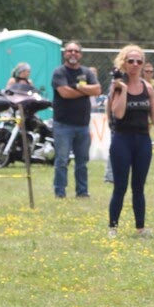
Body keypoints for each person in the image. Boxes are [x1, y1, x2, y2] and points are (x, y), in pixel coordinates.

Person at [106, 45, 154, 238]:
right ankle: (113, 227)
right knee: (120, 186)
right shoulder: (117, 86)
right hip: (122, 140)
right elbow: (118, 113)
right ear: (123, 63)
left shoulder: (148, 87)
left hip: (142, 140)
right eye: (131, 61)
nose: (135, 64)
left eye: (139, 61)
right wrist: (124, 88)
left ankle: (140, 228)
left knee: (139, 187)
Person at [51, 42, 102, 199]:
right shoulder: (59, 72)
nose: (73, 53)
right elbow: (65, 93)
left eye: (76, 51)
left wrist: (78, 88)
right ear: (64, 54)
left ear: (80, 54)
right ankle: (60, 192)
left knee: (82, 162)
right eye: (69, 51)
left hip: (82, 125)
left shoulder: (87, 72)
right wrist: (85, 90)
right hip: (63, 125)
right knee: (62, 160)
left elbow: (98, 90)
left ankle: (82, 191)